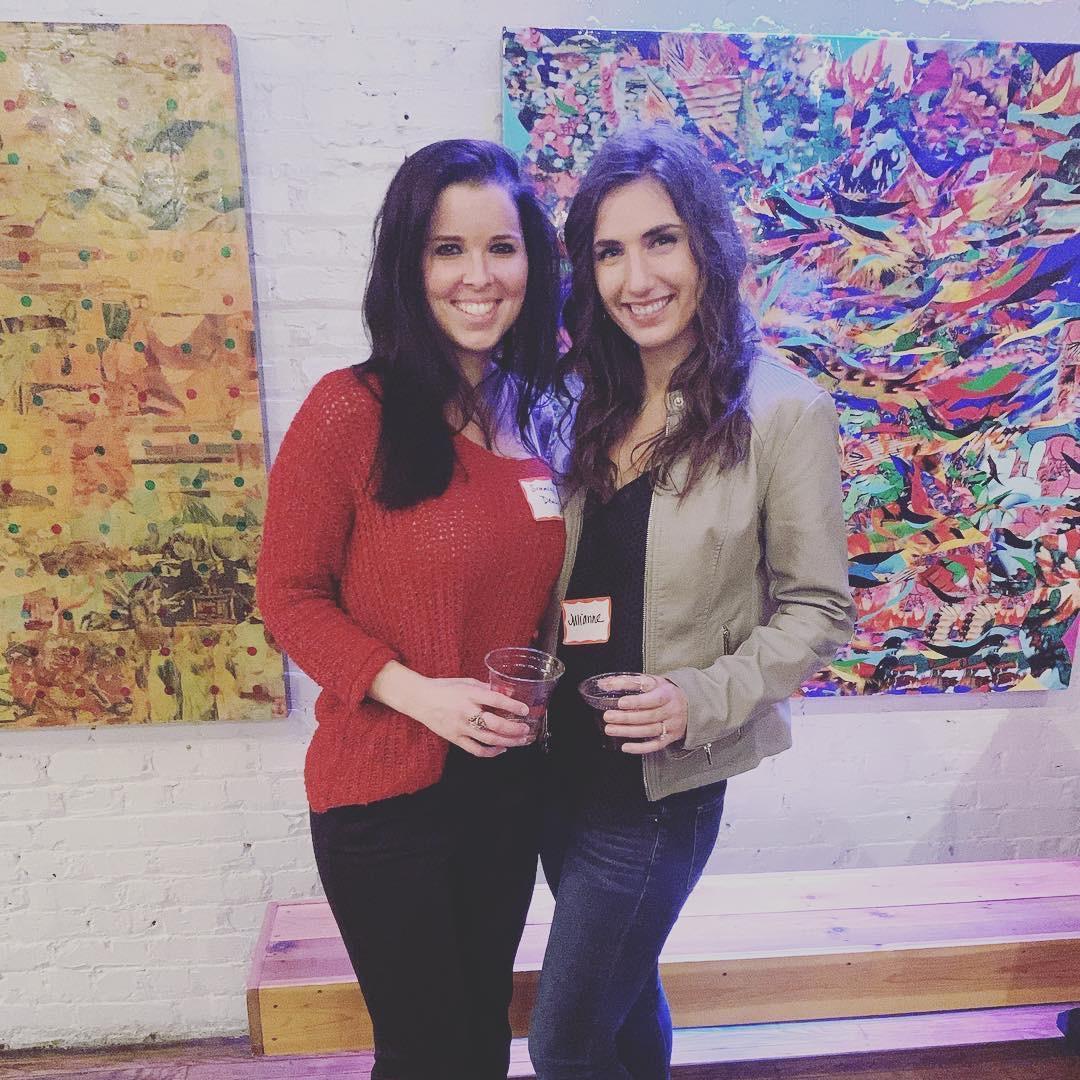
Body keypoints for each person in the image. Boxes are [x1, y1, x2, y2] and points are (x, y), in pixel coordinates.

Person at [527, 123, 855, 1079]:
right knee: (625, 1004)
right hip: (556, 768)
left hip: (660, 788)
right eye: (610, 251)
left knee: (563, 1040)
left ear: (706, 244)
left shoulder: (783, 409)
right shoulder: (576, 400)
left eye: (660, 240)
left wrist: (696, 698)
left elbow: (818, 609)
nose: (637, 277)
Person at [256, 139, 564, 1080]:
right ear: (409, 263)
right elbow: (287, 595)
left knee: (480, 1036)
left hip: (506, 787)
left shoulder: (538, 414)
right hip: (383, 793)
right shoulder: (349, 410)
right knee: (428, 1052)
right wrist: (420, 693)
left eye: (501, 247)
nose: (479, 277)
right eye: (447, 250)